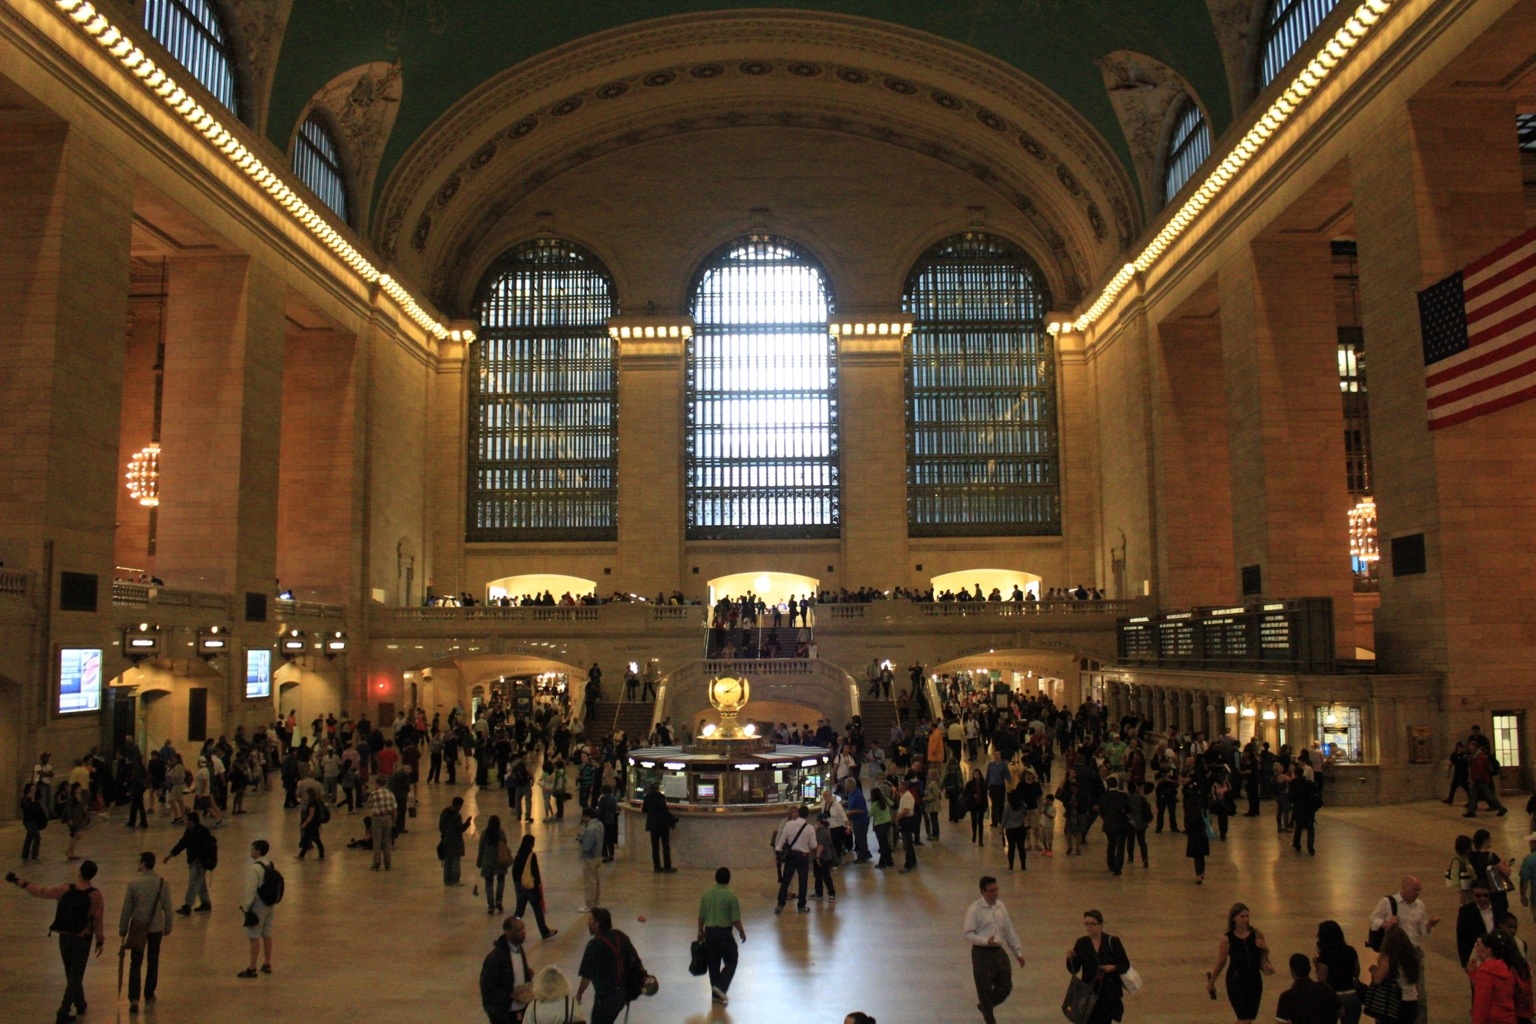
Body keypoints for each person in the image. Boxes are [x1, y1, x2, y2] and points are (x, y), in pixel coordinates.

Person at [9, 859, 105, 1024]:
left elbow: (41, 891)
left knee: (70, 972)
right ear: (93, 875)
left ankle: (80, 1003)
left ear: (80, 872)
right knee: (76, 975)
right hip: (82, 937)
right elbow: (98, 918)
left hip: (64, 935)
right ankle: (63, 1011)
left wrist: (20, 882)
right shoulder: (95, 894)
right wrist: (99, 940)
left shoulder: (65, 888)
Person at [1368, 876, 1440, 1020]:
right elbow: (1373, 920)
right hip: (1393, 953)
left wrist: (1429, 925)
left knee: (1419, 994)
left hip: (1413, 953)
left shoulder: (1419, 905)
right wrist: (1387, 924)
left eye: (1419, 890)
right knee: (1389, 991)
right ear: (1404, 887)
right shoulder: (1387, 902)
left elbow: (1422, 931)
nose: (1417, 893)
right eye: (1414, 890)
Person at [963, 875, 1026, 1024]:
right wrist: (985, 941)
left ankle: (985, 1006)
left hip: (998, 951)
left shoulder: (1000, 906)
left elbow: (1008, 930)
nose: (996, 893)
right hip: (981, 953)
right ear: (983, 891)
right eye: (992, 890)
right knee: (984, 989)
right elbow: (967, 934)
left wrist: (1018, 952)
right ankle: (989, 1016)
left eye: (997, 889)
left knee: (1005, 986)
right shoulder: (975, 909)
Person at [119, 850, 173, 1013]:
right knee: (153, 961)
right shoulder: (162, 883)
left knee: (135, 962)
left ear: (143, 864)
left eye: (139, 862)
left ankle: (134, 998)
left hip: (138, 927)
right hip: (156, 928)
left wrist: (123, 929)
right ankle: (149, 994)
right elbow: (168, 908)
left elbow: (127, 909)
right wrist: (168, 926)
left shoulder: (133, 884)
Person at [1206, 902, 1274, 1024]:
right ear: (1234, 918)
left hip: (1254, 980)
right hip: (1236, 980)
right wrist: (1211, 982)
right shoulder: (1227, 939)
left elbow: (1263, 957)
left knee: (1249, 1018)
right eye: (1242, 916)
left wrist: (1265, 949)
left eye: (1247, 916)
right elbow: (1221, 962)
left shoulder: (1257, 934)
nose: (1245, 919)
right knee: (1244, 1018)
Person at [577, 907, 645, 1024]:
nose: (588, 921)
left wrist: (579, 994)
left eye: (590, 919)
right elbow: (634, 959)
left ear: (597, 923)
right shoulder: (620, 936)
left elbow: (586, 977)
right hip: (622, 994)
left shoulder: (594, 945)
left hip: (606, 997)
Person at [1065, 908, 1130, 1024]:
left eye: (1093, 924)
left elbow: (1125, 964)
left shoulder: (1113, 941)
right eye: (1087, 924)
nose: (1089, 927)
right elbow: (1074, 968)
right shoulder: (1081, 943)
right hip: (1089, 993)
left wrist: (1113, 968)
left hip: (1108, 993)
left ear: (1100, 925)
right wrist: (1070, 958)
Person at [697, 866, 745, 1006]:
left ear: (715, 878)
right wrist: (741, 931)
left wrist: (700, 931)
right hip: (724, 934)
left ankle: (715, 995)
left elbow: (701, 916)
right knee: (732, 960)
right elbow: (735, 919)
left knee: (713, 964)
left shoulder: (707, 894)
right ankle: (721, 986)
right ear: (729, 879)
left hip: (710, 933)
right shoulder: (731, 896)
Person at [480, 916, 533, 1024]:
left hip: (520, 1009)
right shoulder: (495, 958)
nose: (523, 933)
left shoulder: (519, 949)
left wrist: (526, 973)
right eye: (519, 930)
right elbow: (487, 987)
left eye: (523, 929)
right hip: (503, 1013)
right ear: (508, 932)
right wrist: (510, 995)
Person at [237, 839, 277, 978]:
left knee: (254, 936)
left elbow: (251, 890)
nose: (251, 851)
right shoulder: (269, 864)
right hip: (269, 903)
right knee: (267, 933)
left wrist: (246, 907)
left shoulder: (254, 868)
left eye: (252, 849)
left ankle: (252, 967)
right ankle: (267, 963)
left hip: (258, 904)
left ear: (257, 851)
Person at [1367, 925, 1422, 1024]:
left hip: (1395, 1004)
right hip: (1412, 1003)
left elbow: (1378, 979)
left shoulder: (1388, 958)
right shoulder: (1411, 956)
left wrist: (1374, 971)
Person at [166, 810, 216, 914]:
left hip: (200, 862)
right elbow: (182, 843)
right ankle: (205, 903)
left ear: (191, 821)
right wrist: (171, 854)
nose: (184, 822)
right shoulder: (189, 831)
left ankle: (187, 905)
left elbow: (206, 847)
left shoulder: (202, 832)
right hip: (194, 861)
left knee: (193, 883)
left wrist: (206, 860)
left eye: (186, 820)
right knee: (200, 882)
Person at [1468, 931, 1522, 1024]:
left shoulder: (1486, 972)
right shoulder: (1505, 968)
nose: (1475, 947)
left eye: (1478, 945)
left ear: (1488, 950)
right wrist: (1473, 973)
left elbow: (1481, 1004)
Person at [1314, 920, 1362, 1024]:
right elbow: (1356, 971)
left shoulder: (1325, 955)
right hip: (1351, 996)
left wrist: (1316, 966)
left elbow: (1322, 981)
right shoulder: (1351, 950)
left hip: (1333, 998)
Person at [512, 834, 557, 940]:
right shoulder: (531, 855)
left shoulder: (519, 854)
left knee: (519, 911)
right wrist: (538, 887)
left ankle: (511, 929)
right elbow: (535, 873)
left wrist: (518, 884)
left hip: (519, 886)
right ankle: (544, 932)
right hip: (530, 887)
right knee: (537, 910)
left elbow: (514, 871)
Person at [1275, 952, 1341, 1024]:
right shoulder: (1326, 988)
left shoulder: (1286, 997)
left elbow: (1281, 1023)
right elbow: (1341, 1011)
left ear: (1292, 972)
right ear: (1309, 969)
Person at [775, 805, 817, 914]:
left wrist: (778, 851)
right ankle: (801, 906)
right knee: (803, 882)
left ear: (799, 813)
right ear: (807, 815)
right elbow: (813, 845)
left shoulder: (788, 824)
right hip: (803, 856)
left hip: (791, 855)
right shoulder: (810, 828)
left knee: (786, 880)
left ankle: (780, 905)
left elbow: (781, 841)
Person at [479, 814, 512, 914]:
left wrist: (479, 861)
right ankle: (499, 901)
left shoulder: (485, 833)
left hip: (488, 860)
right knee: (501, 880)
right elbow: (505, 843)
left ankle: (491, 906)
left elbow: (481, 847)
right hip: (499, 860)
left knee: (489, 884)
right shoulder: (501, 833)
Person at [641, 781, 676, 872]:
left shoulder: (647, 797)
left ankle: (656, 867)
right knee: (665, 846)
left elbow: (644, 810)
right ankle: (667, 866)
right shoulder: (661, 797)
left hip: (653, 824)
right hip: (662, 824)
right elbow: (665, 810)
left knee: (655, 846)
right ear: (658, 788)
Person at [365, 779, 397, 870]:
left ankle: (376, 863)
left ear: (377, 784)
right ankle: (387, 863)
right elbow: (394, 809)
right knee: (387, 841)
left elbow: (369, 805)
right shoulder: (390, 794)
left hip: (377, 818)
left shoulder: (374, 794)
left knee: (377, 842)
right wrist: (393, 822)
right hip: (387, 818)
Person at [439, 796, 471, 886]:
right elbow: (460, 829)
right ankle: (455, 880)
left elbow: (441, 826)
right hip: (455, 842)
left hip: (445, 840)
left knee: (447, 861)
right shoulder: (456, 816)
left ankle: (447, 880)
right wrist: (468, 823)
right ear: (457, 805)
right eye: (460, 806)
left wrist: (445, 834)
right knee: (455, 861)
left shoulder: (444, 812)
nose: (460, 808)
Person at [578, 808, 603, 913]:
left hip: (590, 857)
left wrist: (580, 839)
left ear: (587, 816)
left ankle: (590, 905)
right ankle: (596, 902)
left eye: (584, 817)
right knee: (596, 880)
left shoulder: (590, 829)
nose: (583, 819)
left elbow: (586, 846)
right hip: (598, 855)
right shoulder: (600, 825)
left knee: (589, 882)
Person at [21, 781, 48, 862]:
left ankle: (25, 855)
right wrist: (32, 801)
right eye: (32, 789)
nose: (34, 790)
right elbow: (30, 810)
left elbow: (38, 809)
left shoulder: (36, 799)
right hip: (29, 821)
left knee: (29, 838)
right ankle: (34, 856)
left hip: (35, 821)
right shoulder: (24, 800)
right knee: (37, 837)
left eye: (34, 789)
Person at [896, 779, 919, 873]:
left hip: (906, 821)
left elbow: (906, 810)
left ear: (903, 786)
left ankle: (909, 864)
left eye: (900, 785)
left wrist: (898, 818)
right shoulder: (904, 795)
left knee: (907, 844)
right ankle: (913, 862)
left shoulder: (907, 796)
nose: (898, 787)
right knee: (908, 843)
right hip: (906, 821)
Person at [297, 790, 325, 860]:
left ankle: (321, 855)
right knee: (307, 838)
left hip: (312, 824)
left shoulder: (312, 802)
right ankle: (301, 855)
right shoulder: (315, 801)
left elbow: (311, 815)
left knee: (316, 840)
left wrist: (305, 823)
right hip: (314, 823)